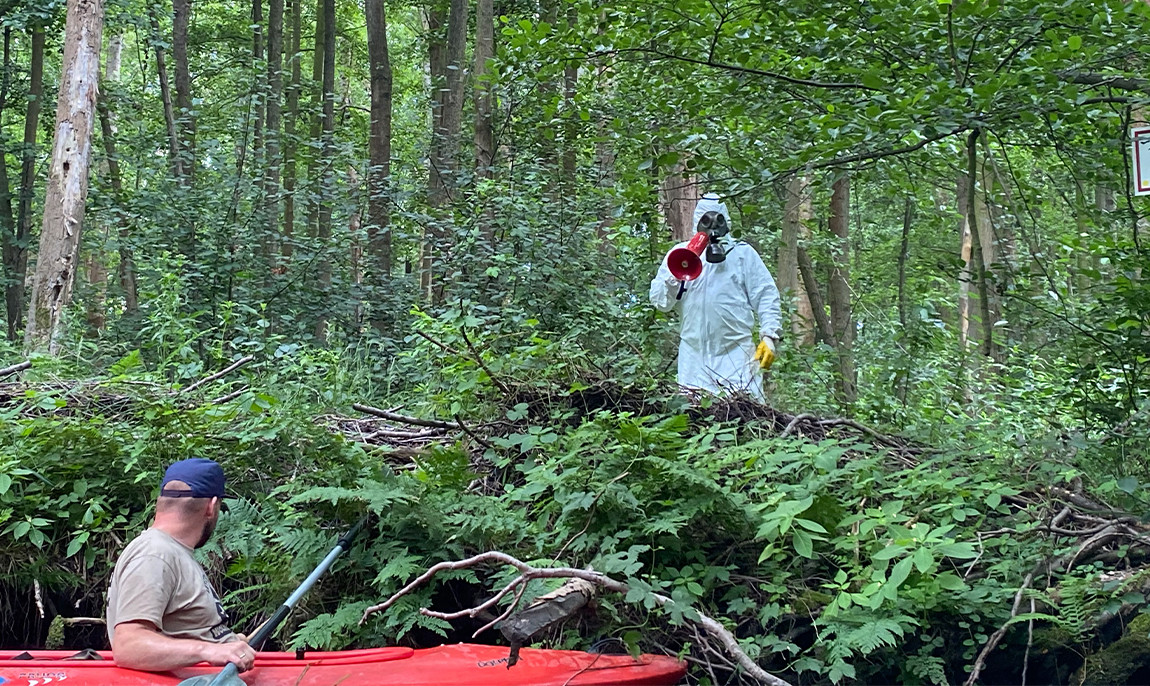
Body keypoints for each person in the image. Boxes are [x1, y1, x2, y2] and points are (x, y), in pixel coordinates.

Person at [106, 458, 255, 673]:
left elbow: (186, 630)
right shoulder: (154, 554)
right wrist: (209, 651)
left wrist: (225, 643)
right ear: (211, 507)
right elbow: (129, 646)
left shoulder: (171, 550)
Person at [649, 193, 782, 401]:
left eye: (717, 220)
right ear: (697, 221)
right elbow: (660, 302)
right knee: (693, 417)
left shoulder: (742, 254)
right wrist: (675, 274)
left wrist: (770, 336)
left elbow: (766, 295)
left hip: (737, 355)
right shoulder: (679, 254)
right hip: (693, 357)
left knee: (745, 414)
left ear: (725, 221)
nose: (711, 227)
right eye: (706, 220)